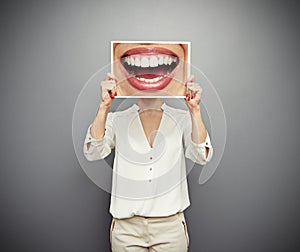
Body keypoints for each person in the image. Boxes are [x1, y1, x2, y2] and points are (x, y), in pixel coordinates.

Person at [83, 73, 213, 251]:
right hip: (126, 230)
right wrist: (104, 107)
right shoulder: (117, 119)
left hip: (170, 228)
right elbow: (93, 152)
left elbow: (202, 155)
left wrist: (195, 110)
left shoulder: (183, 118)